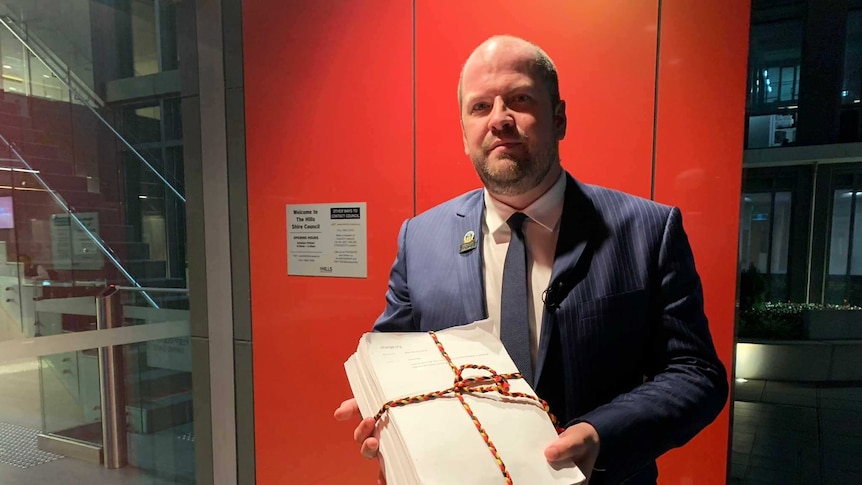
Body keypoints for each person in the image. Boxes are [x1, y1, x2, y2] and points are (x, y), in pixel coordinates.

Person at [335, 35, 727, 485]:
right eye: (480, 107)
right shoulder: (420, 238)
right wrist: (380, 402)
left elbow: (696, 373)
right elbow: (395, 355)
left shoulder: (648, 230)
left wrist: (600, 435)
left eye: (519, 99)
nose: (499, 119)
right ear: (464, 134)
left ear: (559, 118)